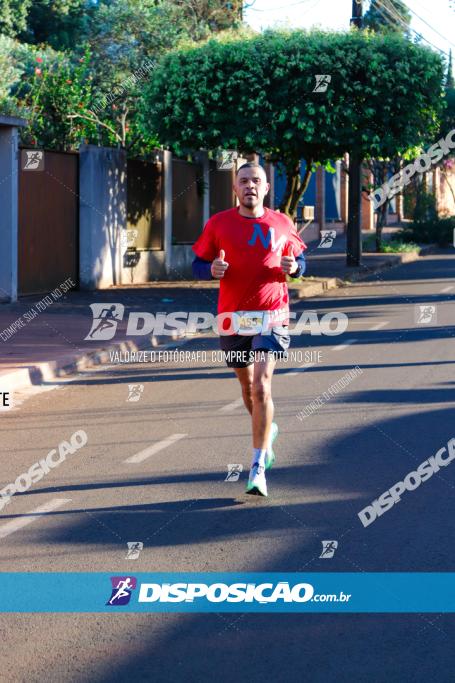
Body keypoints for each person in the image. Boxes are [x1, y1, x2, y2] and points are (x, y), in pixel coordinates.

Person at [192, 162, 307, 497]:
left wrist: (296, 268)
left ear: (266, 188)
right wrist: (210, 269)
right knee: (247, 389)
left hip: (272, 313)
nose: (250, 186)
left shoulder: (282, 223)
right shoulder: (218, 224)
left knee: (261, 387)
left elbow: (302, 260)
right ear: (235, 188)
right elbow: (197, 263)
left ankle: (257, 467)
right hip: (233, 317)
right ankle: (267, 431)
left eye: (256, 181)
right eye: (244, 181)